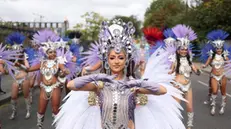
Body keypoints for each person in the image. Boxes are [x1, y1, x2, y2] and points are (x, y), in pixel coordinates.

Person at [54, 19, 185, 129]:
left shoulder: (132, 85)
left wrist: (138, 83)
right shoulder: (99, 84)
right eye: (112, 58)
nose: (116, 62)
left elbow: (161, 91)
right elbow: (71, 85)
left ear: (126, 60)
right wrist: (96, 76)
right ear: (106, 60)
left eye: (120, 57)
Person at [17, 29, 70, 129]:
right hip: (44, 88)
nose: (53, 54)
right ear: (46, 53)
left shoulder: (59, 63)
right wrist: (19, 65)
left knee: (55, 110)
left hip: (55, 87)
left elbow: (64, 69)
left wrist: (65, 71)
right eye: (50, 52)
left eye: (54, 52)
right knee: (41, 110)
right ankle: (39, 127)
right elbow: (28, 69)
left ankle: (58, 126)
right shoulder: (41, 63)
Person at [169, 24, 201, 129]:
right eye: (182, 49)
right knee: (176, 108)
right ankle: (175, 125)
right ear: (178, 50)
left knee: (190, 107)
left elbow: (196, 70)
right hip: (177, 86)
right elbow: (170, 72)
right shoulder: (174, 60)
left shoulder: (189, 60)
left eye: (185, 49)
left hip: (188, 86)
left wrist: (197, 71)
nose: (183, 51)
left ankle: (189, 126)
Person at [202, 30, 230, 115]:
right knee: (214, 91)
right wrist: (204, 66)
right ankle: (213, 106)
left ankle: (223, 106)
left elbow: (229, 63)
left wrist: (227, 61)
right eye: (217, 48)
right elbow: (207, 63)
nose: (219, 50)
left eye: (220, 48)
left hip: (222, 75)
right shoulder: (212, 56)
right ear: (215, 48)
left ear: (222, 48)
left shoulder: (225, 55)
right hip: (214, 75)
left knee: (223, 92)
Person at [5, 32, 31, 120]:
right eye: (15, 51)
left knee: (26, 96)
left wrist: (19, 65)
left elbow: (27, 68)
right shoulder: (11, 60)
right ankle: (14, 112)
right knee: (13, 97)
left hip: (24, 79)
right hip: (16, 80)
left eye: (18, 51)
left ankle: (28, 111)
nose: (16, 53)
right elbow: (6, 72)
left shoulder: (24, 58)